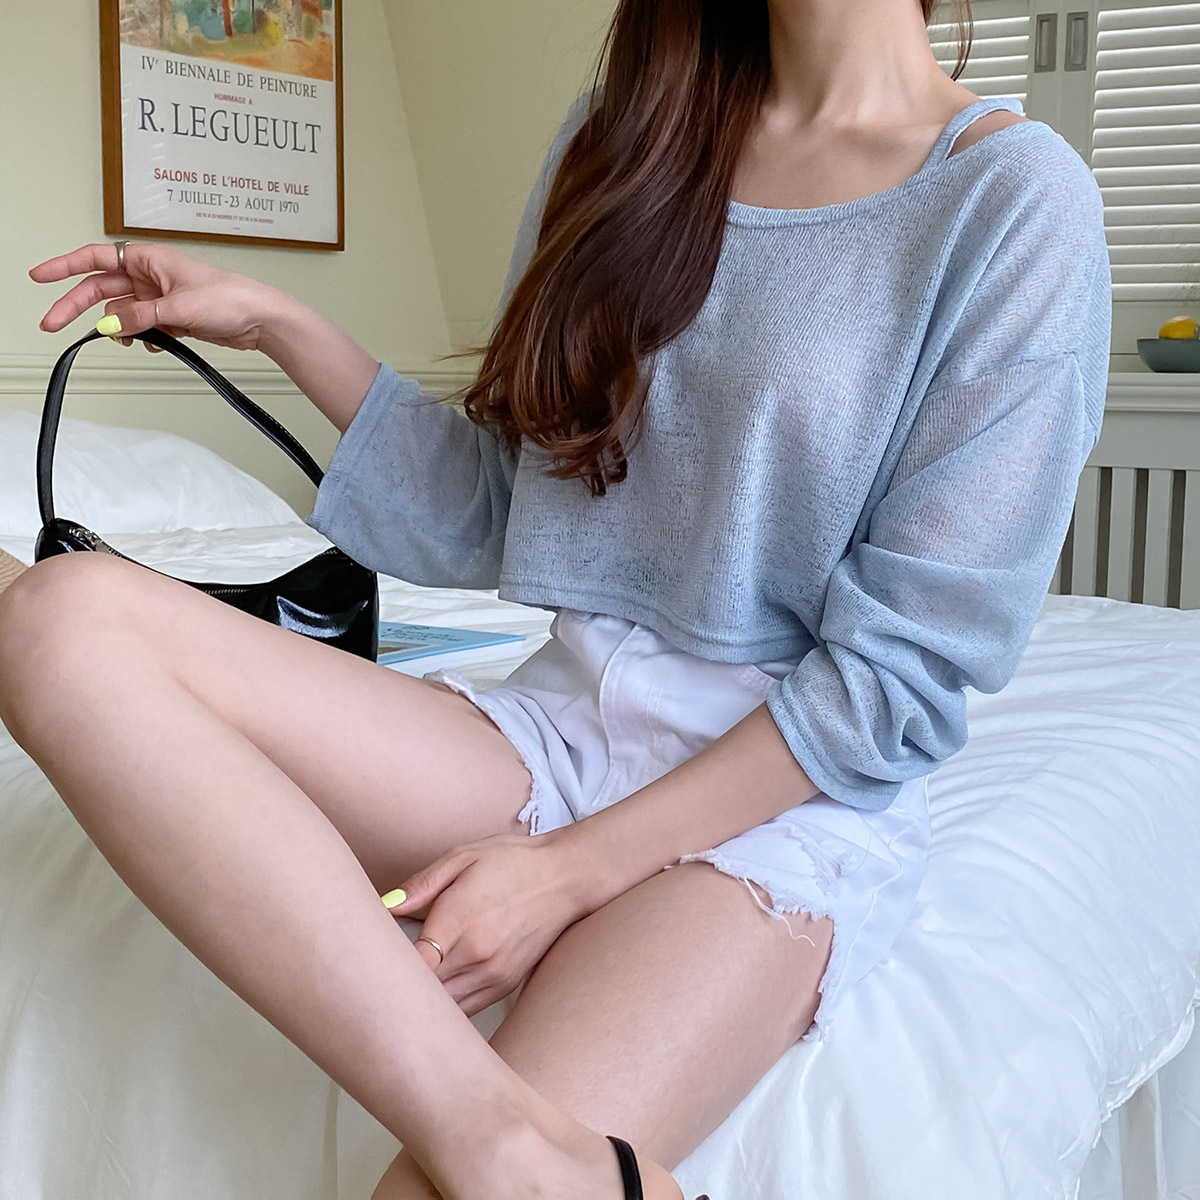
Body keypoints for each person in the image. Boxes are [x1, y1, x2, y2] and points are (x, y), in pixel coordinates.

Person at [5, 0, 1111, 1197]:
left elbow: (900, 679)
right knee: (65, 616)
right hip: (557, 732)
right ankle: (499, 1137)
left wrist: (571, 872)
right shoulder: (626, 138)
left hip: (784, 799)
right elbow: (509, 504)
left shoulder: (1010, 201)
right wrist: (277, 322)